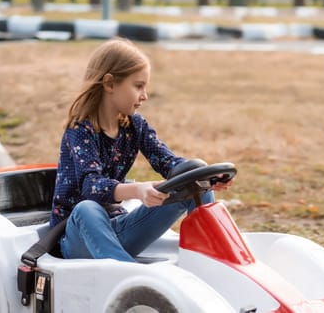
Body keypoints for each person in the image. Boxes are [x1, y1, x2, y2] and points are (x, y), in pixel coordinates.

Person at [49, 38, 233, 262]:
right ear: (109, 84)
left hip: (118, 230)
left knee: (192, 181)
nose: (145, 96)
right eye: (138, 86)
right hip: (77, 236)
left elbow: (168, 163)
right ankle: (129, 275)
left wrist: (206, 177)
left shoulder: (135, 125)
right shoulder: (80, 130)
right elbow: (92, 186)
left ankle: (213, 259)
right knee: (87, 208)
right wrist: (139, 190)